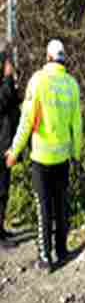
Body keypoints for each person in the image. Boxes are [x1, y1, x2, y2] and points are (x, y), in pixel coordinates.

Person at [5, 40, 82, 271]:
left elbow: (26, 122)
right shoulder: (71, 84)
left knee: (44, 208)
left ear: (48, 57)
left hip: (41, 157)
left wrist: (14, 151)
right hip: (63, 156)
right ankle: (62, 250)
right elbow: (77, 124)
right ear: (62, 58)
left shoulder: (37, 81)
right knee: (61, 204)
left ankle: (45, 258)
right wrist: (76, 153)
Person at [0, 40, 20, 249]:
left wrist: (14, 86)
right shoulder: (2, 83)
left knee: (4, 189)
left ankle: (1, 228)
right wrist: (7, 80)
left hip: (6, 143)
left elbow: (12, 103)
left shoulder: (5, 83)